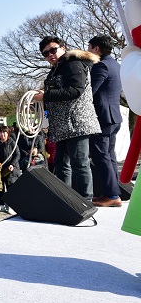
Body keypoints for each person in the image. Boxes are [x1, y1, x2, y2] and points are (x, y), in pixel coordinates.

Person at [33, 37, 101, 199]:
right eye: (45, 53)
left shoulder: (74, 64)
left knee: (80, 162)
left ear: (63, 48)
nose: (50, 55)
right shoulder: (56, 69)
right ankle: (66, 199)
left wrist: (46, 95)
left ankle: (85, 200)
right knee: (61, 164)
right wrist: (39, 102)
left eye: (53, 50)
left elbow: (75, 90)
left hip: (77, 123)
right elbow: (57, 96)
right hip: (62, 125)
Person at [88, 35, 123, 207]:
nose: (88, 50)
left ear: (96, 49)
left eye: (89, 47)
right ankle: (112, 193)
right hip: (113, 116)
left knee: (101, 155)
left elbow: (90, 92)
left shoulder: (101, 65)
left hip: (103, 117)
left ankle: (112, 195)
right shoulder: (116, 64)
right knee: (109, 156)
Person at [0, 126, 20, 213]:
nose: (2, 134)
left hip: (11, 169)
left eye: (4, 132)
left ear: (8, 133)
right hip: (0, 169)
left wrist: (12, 164)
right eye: (1, 132)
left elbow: (17, 154)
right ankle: (2, 204)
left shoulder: (12, 142)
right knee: (1, 187)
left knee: (10, 187)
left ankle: (11, 206)